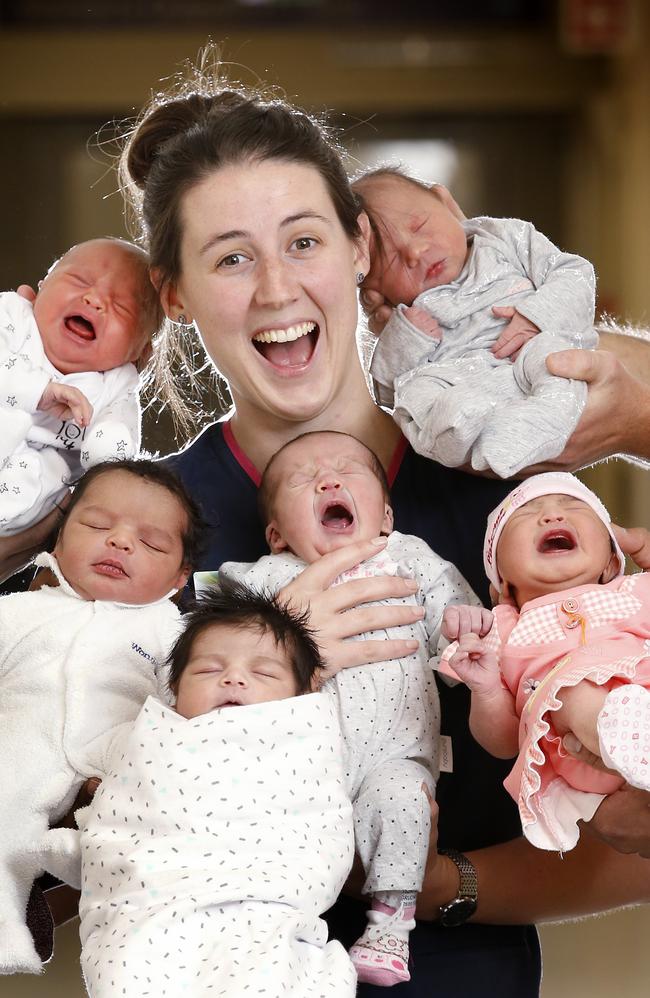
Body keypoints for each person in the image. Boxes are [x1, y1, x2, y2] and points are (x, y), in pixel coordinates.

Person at [8, 53, 650, 994]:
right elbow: (64, 851)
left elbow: (630, 839)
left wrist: (437, 888)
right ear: (174, 294)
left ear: (358, 246)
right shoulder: (134, 535)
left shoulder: (510, 503)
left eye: (303, 241)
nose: (275, 289)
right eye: (231, 257)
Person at [216, 429, 477, 986]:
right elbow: (207, 655)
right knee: (266, 837)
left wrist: (468, 633)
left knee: (405, 803)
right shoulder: (264, 576)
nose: (327, 480)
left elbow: (462, 635)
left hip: (395, 755)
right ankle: (275, 939)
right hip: (297, 763)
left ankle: (389, 924)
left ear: (385, 516)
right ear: (277, 534)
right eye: (302, 479)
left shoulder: (409, 559)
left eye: (345, 471)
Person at [76, 583, 357, 997]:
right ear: (174, 691)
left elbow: (320, 817)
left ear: (302, 695)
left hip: (265, 908)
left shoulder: (306, 737)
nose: (233, 679)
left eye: (263, 673)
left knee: (275, 975)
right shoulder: (149, 736)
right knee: (126, 968)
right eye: (208, 670)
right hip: (149, 905)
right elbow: (116, 819)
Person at [0, 458, 202, 974]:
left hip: (117, 753)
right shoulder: (19, 612)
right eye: (95, 526)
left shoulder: (175, 634)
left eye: (152, 543)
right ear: (58, 540)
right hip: (23, 738)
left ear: (180, 579)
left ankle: (89, 880)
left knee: (158, 811)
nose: (120, 542)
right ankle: (9, 927)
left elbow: (188, 705)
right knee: (7, 810)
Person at [440, 472, 650, 852]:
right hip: (577, 747)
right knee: (573, 692)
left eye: (573, 506)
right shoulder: (500, 631)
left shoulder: (634, 592)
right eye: (525, 514)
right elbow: (505, 742)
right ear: (501, 583)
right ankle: (631, 735)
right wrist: (485, 689)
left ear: (609, 563)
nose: (552, 515)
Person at [352, 167, 597, 479]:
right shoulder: (406, 318)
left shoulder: (505, 239)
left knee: (555, 359)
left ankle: (541, 422)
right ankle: (462, 437)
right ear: (375, 290)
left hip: (528, 359)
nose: (415, 251)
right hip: (465, 391)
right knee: (416, 393)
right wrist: (405, 338)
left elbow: (574, 273)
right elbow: (387, 392)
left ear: (445, 202)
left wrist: (536, 316)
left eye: (419, 226)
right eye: (392, 261)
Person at [0, 238, 162, 535]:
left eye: (122, 306)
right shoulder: (13, 317)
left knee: (56, 475)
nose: (94, 300)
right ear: (39, 289)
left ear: (139, 351)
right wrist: (41, 391)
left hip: (21, 495)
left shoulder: (117, 385)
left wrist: (107, 451)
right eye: (79, 280)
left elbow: (115, 449)